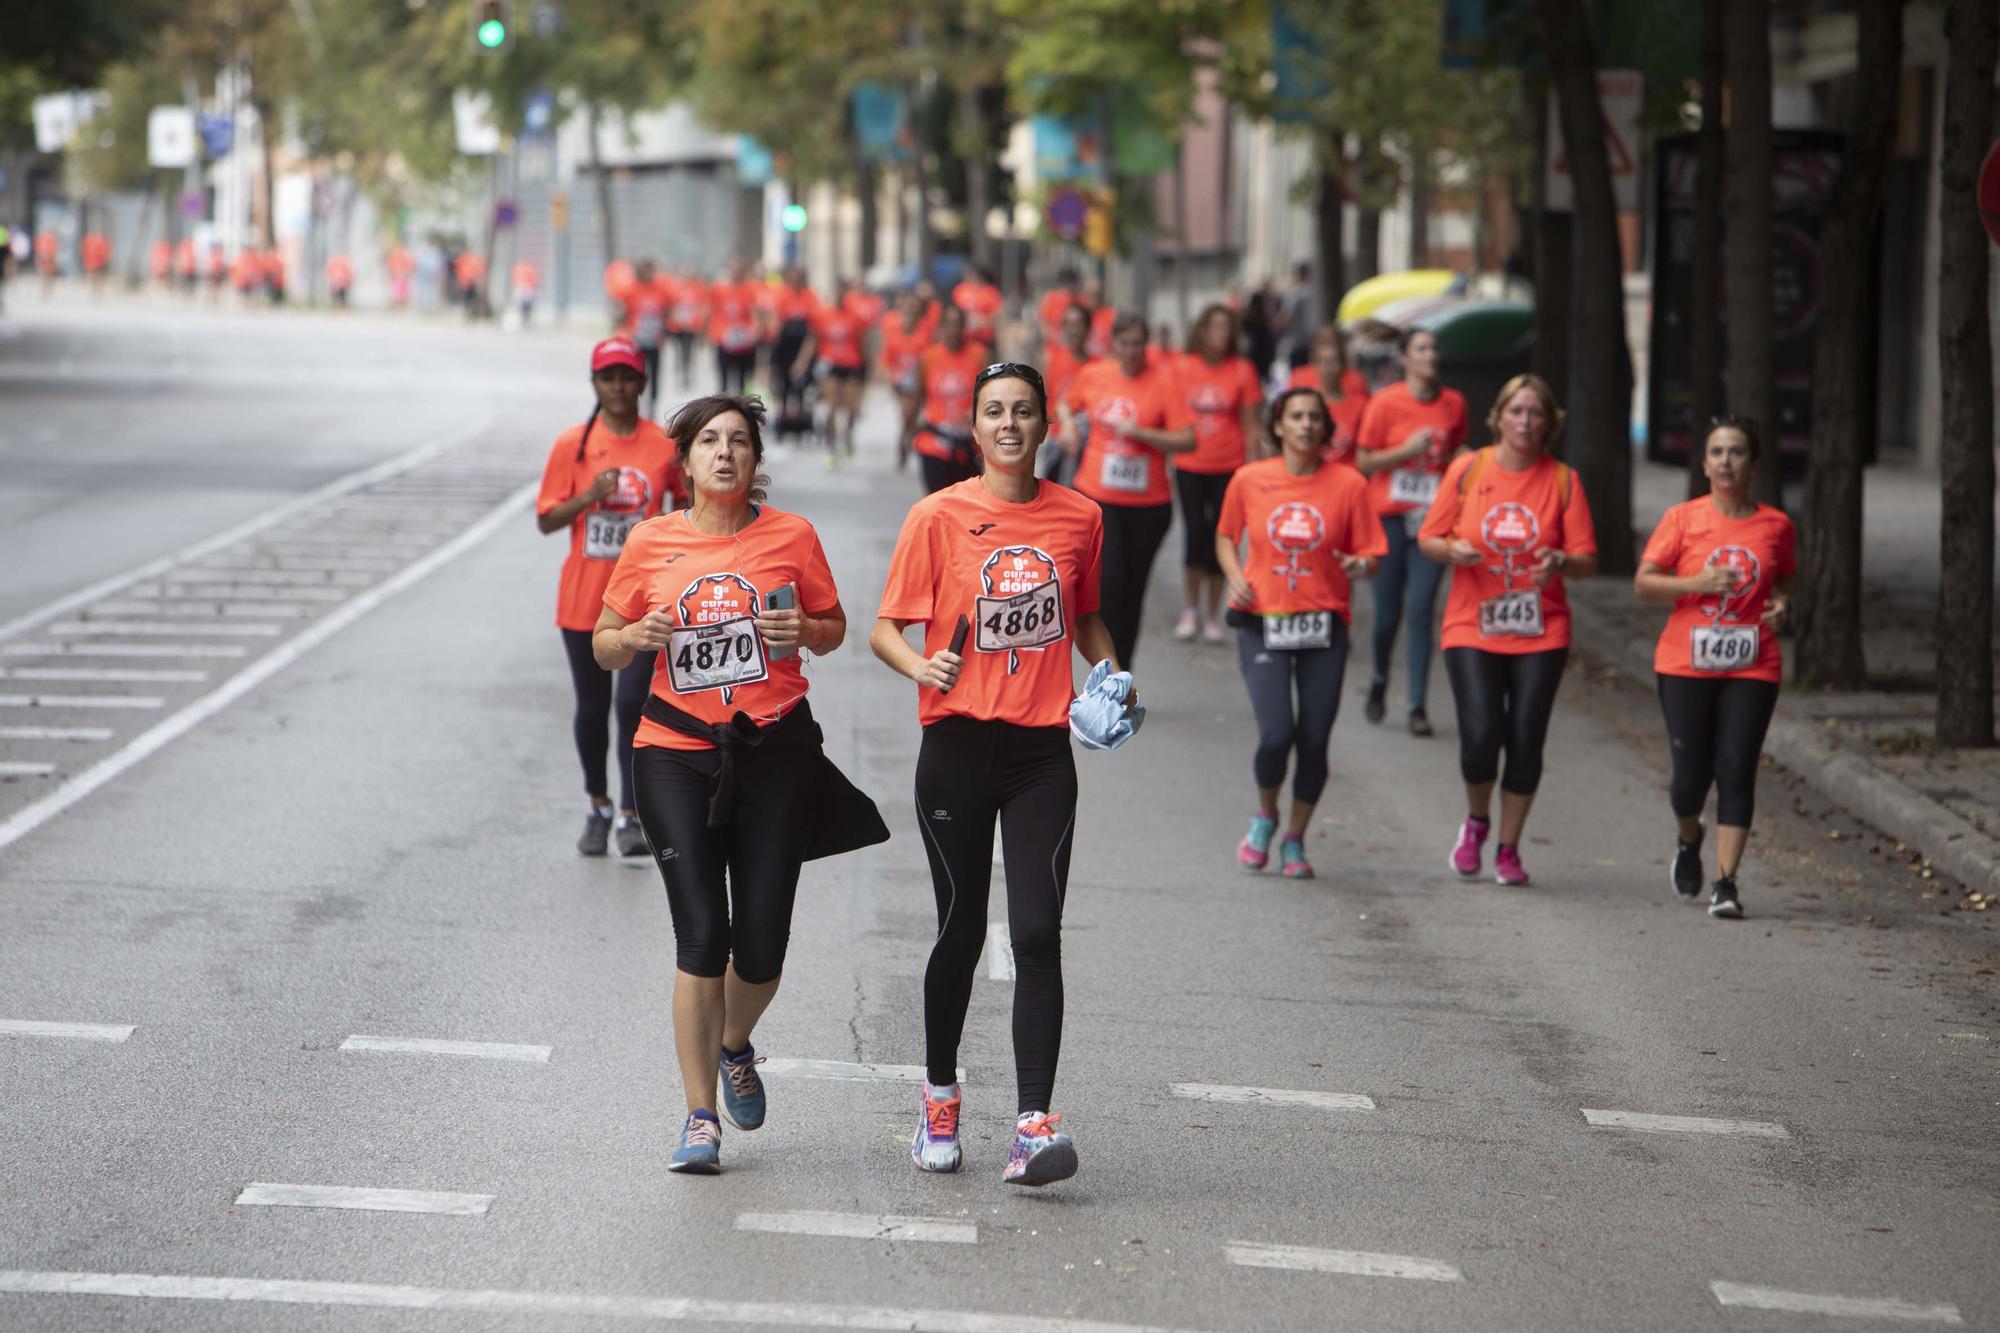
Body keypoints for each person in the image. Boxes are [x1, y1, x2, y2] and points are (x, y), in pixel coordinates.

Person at [595, 393, 871, 1175]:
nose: (725, 453)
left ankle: (732, 1042)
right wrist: (634, 636)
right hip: (674, 752)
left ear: (756, 461)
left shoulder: (792, 536)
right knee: (701, 937)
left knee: (761, 945)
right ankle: (698, 1117)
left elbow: (835, 624)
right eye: (710, 442)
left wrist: (805, 631)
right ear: (684, 462)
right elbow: (603, 645)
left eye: (740, 442)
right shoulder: (651, 541)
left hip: (775, 752)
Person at [872, 360, 1125, 1188]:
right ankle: (939, 1096)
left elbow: (1085, 613)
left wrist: (1111, 675)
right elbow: (885, 629)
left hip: (1040, 755)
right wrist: (923, 663)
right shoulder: (938, 516)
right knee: (960, 929)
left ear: (1047, 425)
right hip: (955, 747)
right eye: (994, 412)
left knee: (1037, 932)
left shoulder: (1080, 516)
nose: (1009, 423)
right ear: (974, 429)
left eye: (1023, 410)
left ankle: (1031, 1122)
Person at [1418, 374, 1597, 887]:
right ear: (1497, 417)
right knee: (1479, 738)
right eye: (1516, 411)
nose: (1524, 421)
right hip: (1472, 623)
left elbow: (1587, 560)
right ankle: (1476, 821)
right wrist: (1452, 551)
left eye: (1535, 413)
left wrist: (1560, 560)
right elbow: (1430, 538)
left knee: (1524, 740)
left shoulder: (1563, 480)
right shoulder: (1468, 470)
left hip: (1542, 629)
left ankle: (1509, 847)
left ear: (1549, 423)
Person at [1216, 387, 1386, 878]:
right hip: (1262, 620)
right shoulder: (1250, 479)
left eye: (1315, 417)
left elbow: (1372, 553)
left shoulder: (1349, 484)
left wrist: (1361, 564)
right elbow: (1226, 535)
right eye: (1296, 416)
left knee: (1313, 737)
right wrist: (1234, 575)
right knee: (1276, 734)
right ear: (1278, 427)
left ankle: (1295, 838)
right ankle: (1266, 815)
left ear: (1325, 428)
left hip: (1324, 625)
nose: (1307, 424)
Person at [1634, 416, 1794, 919]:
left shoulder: (1776, 525)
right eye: (1717, 452)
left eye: (1737, 452)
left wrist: (1782, 605)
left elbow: (1785, 579)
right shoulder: (1682, 519)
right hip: (1685, 661)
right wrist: (1696, 583)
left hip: (1753, 662)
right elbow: (1644, 583)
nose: (1726, 461)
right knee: (1689, 781)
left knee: (1736, 769)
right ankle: (1689, 838)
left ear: (1754, 465)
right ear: (1704, 464)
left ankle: (1725, 883)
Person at [537, 338, 688, 857]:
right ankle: (598, 805)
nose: (619, 387)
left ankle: (631, 814)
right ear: (595, 384)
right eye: (608, 378)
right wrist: (587, 497)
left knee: (633, 704)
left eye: (628, 377)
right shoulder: (572, 446)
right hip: (584, 598)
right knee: (593, 705)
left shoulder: (665, 446)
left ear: (643, 382)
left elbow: (688, 511)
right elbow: (545, 520)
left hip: (647, 600)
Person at [1061, 311, 1196, 666]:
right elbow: (1066, 401)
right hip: (1097, 497)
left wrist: (1143, 434)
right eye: (1124, 344)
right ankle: (1104, 668)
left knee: (1132, 591)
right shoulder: (1094, 374)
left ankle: (1122, 671)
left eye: (1138, 344)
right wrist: (1069, 429)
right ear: (1112, 345)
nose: (1132, 351)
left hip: (1149, 504)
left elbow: (1188, 439)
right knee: (1110, 583)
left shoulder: (1164, 383)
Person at [1356, 327, 1468, 736]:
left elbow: (1454, 453)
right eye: (1422, 348)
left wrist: (1461, 461)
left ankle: (1417, 705)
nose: (1431, 354)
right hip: (1386, 517)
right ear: (1404, 358)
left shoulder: (1454, 403)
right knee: (1388, 615)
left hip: (1431, 520)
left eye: (1434, 346)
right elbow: (1364, 462)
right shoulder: (1385, 403)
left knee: (1421, 611)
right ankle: (1381, 678)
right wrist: (1405, 452)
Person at [1171, 304, 1264, 644]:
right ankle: (1191, 608)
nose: (1221, 335)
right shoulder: (1183, 366)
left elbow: (1252, 424)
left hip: (1229, 465)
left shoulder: (1242, 370)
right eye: (1215, 327)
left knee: (1221, 536)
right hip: (1190, 464)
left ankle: (1212, 612)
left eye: (1227, 328)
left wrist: (1256, 467)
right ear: (1202, 331)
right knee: (1195, 535)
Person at [911, 304, 990, 494]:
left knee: (967, 507)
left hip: (969, 445)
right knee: (938, 504)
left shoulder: (979, 355)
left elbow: (991, 395)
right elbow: (918, 397)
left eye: (958, 324)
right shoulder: (929, 358)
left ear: (964, 327)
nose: (953, 330)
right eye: (949, 324)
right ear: (941, 327)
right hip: (934, 443)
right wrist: (909, 430)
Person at [794, 278, 868, 463]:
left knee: (851, 410)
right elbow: (812, 341)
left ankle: (848, 433)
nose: (839, 296)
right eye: (837, 292)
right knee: (831, 407)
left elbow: (863, 342)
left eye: (843, 292)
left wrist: (869, 367)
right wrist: (802, 363)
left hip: (852, 364)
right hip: (829, 364)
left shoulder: (856, 316)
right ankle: (831, 448)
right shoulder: (822, 314)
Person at [1285, 324, 1370, 464]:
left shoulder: (1359, 395)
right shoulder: (1300, 381)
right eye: (1323, 361)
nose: (1328, 368)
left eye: (1333, 361)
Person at [1037, 303, 1092, 486]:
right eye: (1068, 324)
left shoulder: (1097, 366)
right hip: (1056, 442)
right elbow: (1039, 398)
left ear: (1087, 329)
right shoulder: (1050, 358)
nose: (1073, 330)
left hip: (1087, 445)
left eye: (1078, 324)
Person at [879, 289, 932, 472]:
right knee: (906, 413)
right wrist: (891, 375)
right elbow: (886, 361)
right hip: (901, 382)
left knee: (913, 417)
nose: (908, 319)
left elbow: (930, 358)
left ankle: (907, 437)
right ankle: (903, 444)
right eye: (906, 315)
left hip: (919, 382)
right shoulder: (893, 335)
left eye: (912, 315)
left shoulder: (925, 334)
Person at [618, 259, 671, 420]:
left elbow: (667, 312)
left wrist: (663, 332)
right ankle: (633, 405)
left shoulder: (661, 290)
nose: (649, 274)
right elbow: (622, 313)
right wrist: (625, 332)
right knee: (635, 375)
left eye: (651, 270)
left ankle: (652, 407)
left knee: (654, 375)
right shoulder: (630, 290)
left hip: (654, 341)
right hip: (636, 342)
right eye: (646, 270)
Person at [708, 258, 762, 396]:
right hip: (724, 340)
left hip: (743, 342)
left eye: (739, 271)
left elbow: (754, 313)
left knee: (742, 382)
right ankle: (722, 407)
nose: (736, 274)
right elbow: (712, 311)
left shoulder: (749, 290)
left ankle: (742, 411)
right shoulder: (719, 289)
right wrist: (711, 333)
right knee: (723, 381)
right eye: (733, 270)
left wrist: (753, 332)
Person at [667, 267, 708, 390]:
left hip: (691, 326)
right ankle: (680, 372)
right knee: (679, 351)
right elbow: (671, 307)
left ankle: (688, 373)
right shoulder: (675, 288)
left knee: (689, 351)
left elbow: (701, 307)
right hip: (677, 326)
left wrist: (700, 326)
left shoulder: (697, 288)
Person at [952, 264, 1004, 344]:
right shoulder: (960, 290)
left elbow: (998, 318)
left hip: (984, 339)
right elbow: (953, 312)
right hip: (964, 338)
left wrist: (981, 321)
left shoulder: (991, 292)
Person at [1036, 268, 1081, 347]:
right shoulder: (1051, 299)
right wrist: (1057, 338)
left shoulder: (1079, 300)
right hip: (1054, 348)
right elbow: (1043, 324)